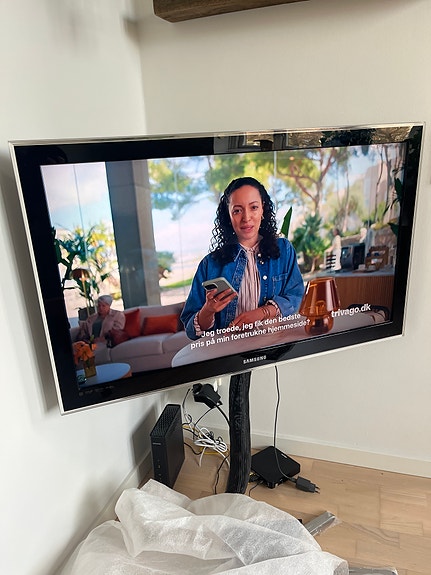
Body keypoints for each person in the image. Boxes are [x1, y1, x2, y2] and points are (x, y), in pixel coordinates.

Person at [181, 177, 304, 340]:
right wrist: (208, 310)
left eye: (253, 207)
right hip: (229, 351)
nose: (246, 218)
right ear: (229, 215)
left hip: (275, 345)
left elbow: (296, 296)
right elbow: (191, 330)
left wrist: (263, 312)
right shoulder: (209, 264)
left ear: (263, 209)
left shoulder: (284, 250)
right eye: (237, 210)